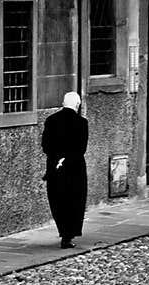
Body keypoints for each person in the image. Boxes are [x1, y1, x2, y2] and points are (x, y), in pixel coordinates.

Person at [41, 91, 88, 249]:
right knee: (75, 200)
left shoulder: (51, 120)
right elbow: (81, 148)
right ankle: (68, 235)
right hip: (75, 168)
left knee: (58, 200)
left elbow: (46, 146)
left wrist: (58, 159)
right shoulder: (82, 123)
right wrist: (66, 158)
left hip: (55, 168)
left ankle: (64, 231)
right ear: (77, 105)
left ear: (63, 103)